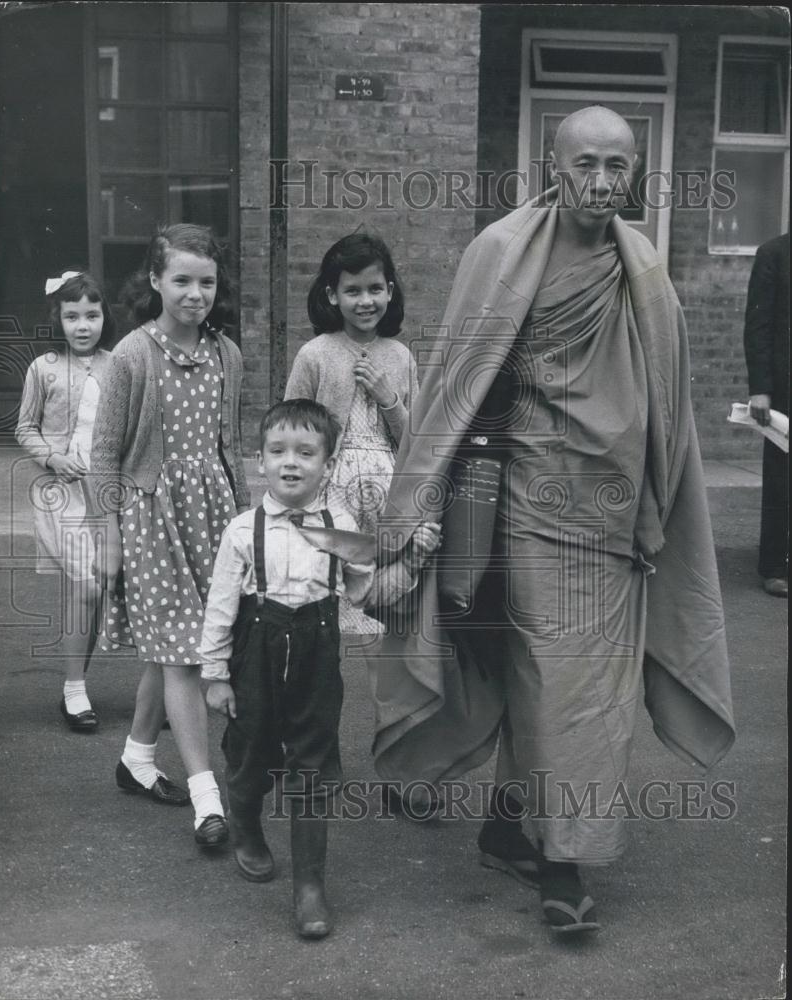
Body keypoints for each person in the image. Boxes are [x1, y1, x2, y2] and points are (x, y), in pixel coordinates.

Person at [369, 106, 735, 934]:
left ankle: (509, 825)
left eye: (618, 166)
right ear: (552, 163)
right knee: (552, 687)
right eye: (586, 164)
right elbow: (454, 386)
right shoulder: (499, 255)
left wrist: (655, 509)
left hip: (613, 520)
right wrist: (419, 508)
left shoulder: (641, 269)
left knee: (583, 690)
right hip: (523, 506)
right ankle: (562, 865)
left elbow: (668, 406)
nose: (602, 183)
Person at [199, 399, 440, 939]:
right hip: (254, 656)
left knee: (313, 766)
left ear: (327, 466)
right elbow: (219, 607)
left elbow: (369, 590)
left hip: (316, 659)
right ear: (258, 461)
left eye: (306, 452)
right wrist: (214, 675)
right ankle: (246, 824)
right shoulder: (242, 530)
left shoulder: (342, 524)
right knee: (251, 754)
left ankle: (310, 886)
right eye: (278, 451)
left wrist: (415, 559)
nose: (291, 462)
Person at [90, 223, 250, 849]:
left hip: (213, 516)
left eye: (206, 281)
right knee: (185, 649)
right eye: (181, 279)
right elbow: (105, 453)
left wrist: (249, 520)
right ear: (155, 280)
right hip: (150, 514)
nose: (194, 292)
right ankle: (208, 799)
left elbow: (231, 444)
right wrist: (106, 531)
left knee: (176, 643)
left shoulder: (227, 354)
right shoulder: (133, 353)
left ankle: (136, 755)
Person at [284, 233, 418, 633]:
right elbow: (290, 427)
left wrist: (388, 398)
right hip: (333, 487)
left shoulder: (400, 356)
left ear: (390, 292)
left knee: (384, 588)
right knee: (330, 582)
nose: (365, 301)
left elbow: (416, 440)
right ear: (332, 295)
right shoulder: (316, 354)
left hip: (387, 487)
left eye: (375, 289)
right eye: (353, 291)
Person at [15, 270, 114, 731]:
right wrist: (53, 458)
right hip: (60, 494)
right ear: (57, 319)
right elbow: (24, 428)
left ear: (102, 318)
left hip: (108, 494)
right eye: (72, 316)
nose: (82, 325)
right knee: (88, 586)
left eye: (91, 315)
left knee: (100, 588)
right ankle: (74, 689)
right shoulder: (44, 368)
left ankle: (81, 686)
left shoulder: (117, 365)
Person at [743, 232, 789, 597]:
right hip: (785, 388)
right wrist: (760, 388)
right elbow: (758, 327)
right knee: (782, 478)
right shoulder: (773, 253)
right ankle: (775, 567)